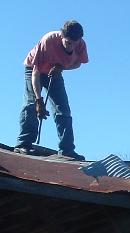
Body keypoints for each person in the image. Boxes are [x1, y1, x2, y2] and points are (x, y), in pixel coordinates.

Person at [14, 20, 89, 161]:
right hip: (33, 70)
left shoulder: (81, 45)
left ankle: (67, 150)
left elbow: (79, 63)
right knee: (30, 105)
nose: (71, 46)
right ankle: (23, 143)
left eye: (74, 42)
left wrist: (61, 68)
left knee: (63, 109)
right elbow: (35, 73)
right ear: (61, 36)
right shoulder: (48, 40)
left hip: (54, 73)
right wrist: (38, 100)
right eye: (68, 42)